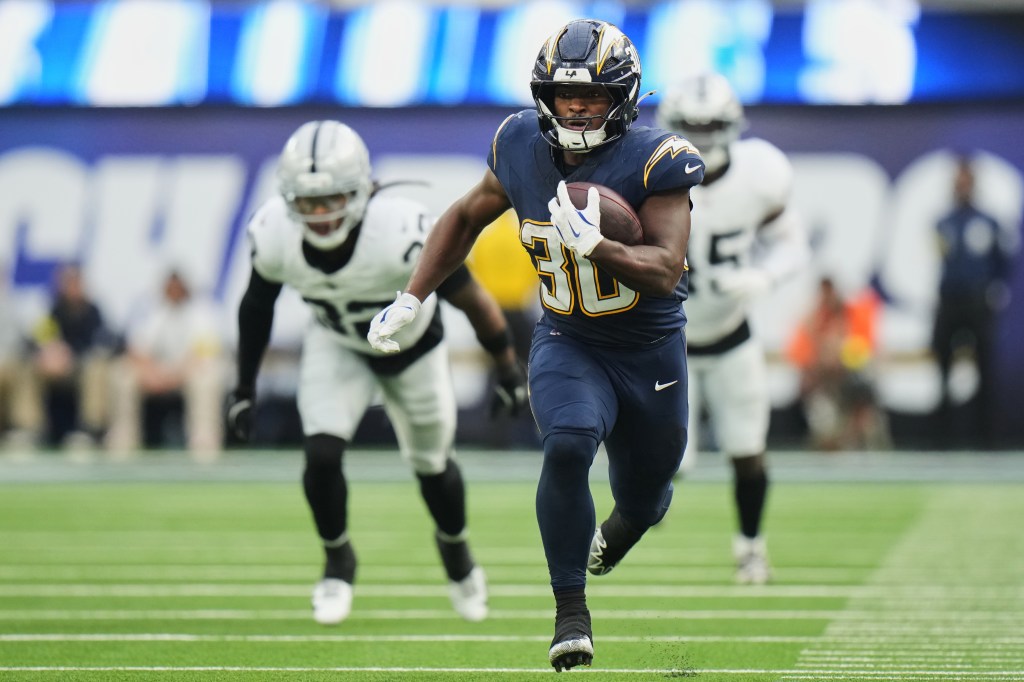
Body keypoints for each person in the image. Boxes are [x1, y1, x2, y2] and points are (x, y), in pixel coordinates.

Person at [368, 19, 703, 671]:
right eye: (565, 95)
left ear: (623, 99)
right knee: (568, 443)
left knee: (646, 494)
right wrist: (414, 296)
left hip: (649, 349)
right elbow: (465, 215)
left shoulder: (658, 159)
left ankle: (626, 524)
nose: (577, 109)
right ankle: (570, 613)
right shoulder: (519, 142)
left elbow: (666, 268)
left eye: (593, 96)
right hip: (569, 336)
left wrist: (597, 246)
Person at [224, 120, 528, 627]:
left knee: (433, 467)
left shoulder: (399, 232)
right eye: (308, 201)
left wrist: (506, 367)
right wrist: (243, 386)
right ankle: (337, 563)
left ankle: (457, 555)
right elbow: (255, 308)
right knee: (321, 452)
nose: (320, 214)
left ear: (361, 189)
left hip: (415, 349)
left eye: (331, 199)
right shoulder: (274, 232)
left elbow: (471, 298)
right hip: (339, 345)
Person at [655, 73, 810, 584]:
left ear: (732, 125)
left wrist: (763, 276)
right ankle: (640, 504)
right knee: (671, 464)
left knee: (748, 451)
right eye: (691, 125)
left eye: (710, 125)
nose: (701, 135)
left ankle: (751, 548)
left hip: (731, 336)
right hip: (670, 342)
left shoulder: (760, 173)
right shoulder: (644, 173)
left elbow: (792, 244)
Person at [931, 155, 1018, 449]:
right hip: (949, 300)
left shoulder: (988, 222)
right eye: (959, 181)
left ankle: (986, 438)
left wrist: (990, 288)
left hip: (977, 300)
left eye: (966, 180)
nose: (962, 186)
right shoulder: (943, 222)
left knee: (985, 367)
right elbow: (941, 260)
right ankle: (942, 437)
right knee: (942, 364)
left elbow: (1003, 261)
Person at [105, 269, 226, 459]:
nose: (174, 292)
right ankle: (124, 438)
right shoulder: (155, 311)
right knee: (122, 373)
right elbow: (137, 349)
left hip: (188, 371)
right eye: (170, 288)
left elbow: (202, 354)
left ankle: (204, 440)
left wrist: (174, 377)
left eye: (178, 288)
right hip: (159, 372)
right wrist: (151, 373)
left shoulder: (201, 312)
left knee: (206, 378)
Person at [787, 277, 890, 451]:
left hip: (854, 384)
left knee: (868, 425)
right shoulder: (812, 320)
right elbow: (800, 358)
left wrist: (842, 355)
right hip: (825, 387)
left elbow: (870, 353)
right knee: (825, 427)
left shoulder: (854, 316)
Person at [30, 263, 118, 448]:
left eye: (75, 282)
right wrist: (49, 353)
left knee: (95, 368)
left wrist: (73, 354)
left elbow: (103, 342)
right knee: (31, 367)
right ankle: (31, 427)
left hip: (82, 364)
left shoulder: (92, 311)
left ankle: (90, 428)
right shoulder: (54, 310)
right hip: (58, 367)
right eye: (68, 283)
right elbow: (39, 339)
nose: (72, 287)